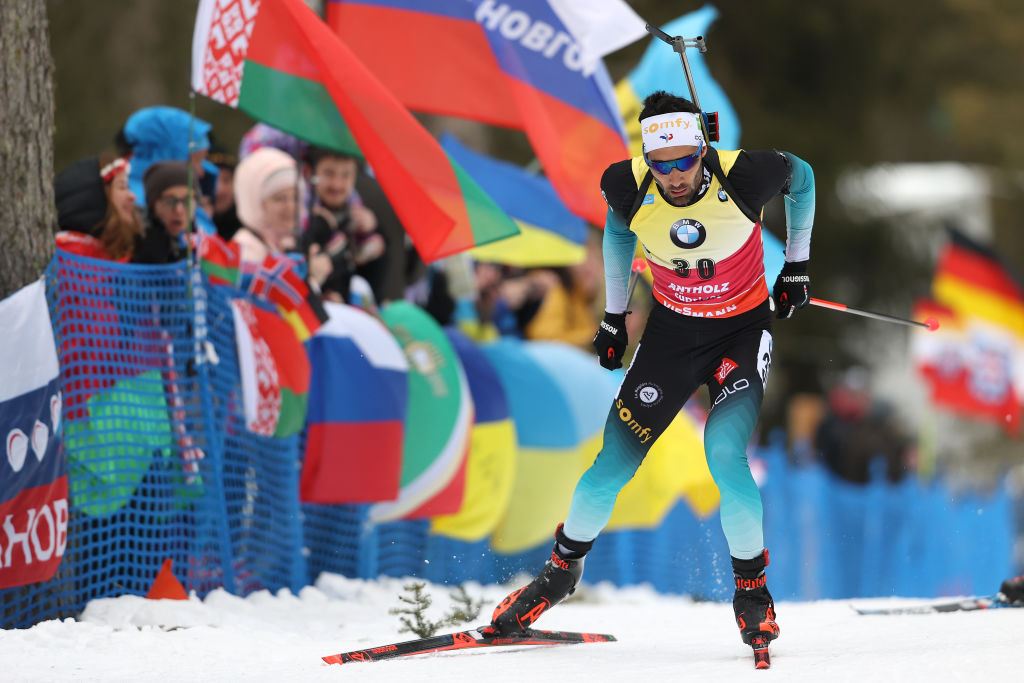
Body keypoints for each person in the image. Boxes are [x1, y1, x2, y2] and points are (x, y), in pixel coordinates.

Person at [483, 91, 816, 659]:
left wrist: (797, 266)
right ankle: (559, 574)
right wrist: (614, 318)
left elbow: (804, 179)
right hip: (672, 337)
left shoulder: (746, 173)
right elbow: (618, 235)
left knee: (724, 455)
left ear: (702, 150)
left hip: (741, 332)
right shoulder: (627, 183)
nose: (674, 176)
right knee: (612, 462)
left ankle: (752, 593)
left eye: (685, 161)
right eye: (661, 164)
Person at [300, 146, 386, 303]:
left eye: (346, 175)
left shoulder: (361, 223)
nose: (337, 184)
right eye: (328, 173)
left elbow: (375, 284)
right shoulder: (297, 217)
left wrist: (372, 231)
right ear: (309, 172)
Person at [54, 154, 142, 261]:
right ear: (95, 195)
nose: (132, 196)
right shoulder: (71, 255)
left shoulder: (113, 250)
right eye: (122, 187)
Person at [133, 161, 199, 264]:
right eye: (169, 201)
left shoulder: (204, 244)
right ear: (153, 205)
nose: (178, 210)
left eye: (187, 200)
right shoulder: (134, 244)